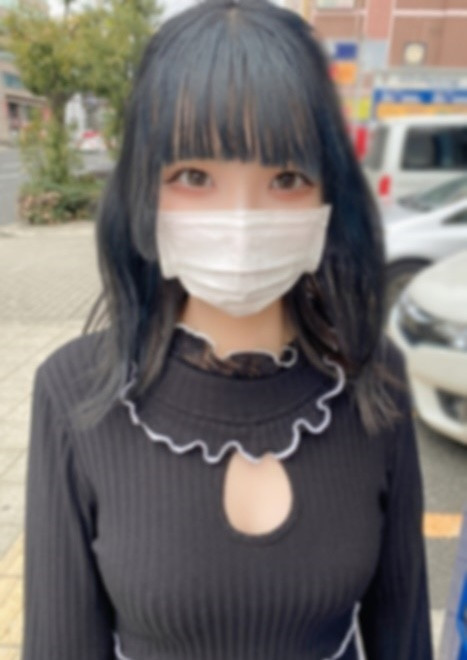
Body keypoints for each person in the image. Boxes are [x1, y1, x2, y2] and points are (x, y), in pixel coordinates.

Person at [21, 1, 433, 658]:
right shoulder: (74, 393)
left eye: (286, 177)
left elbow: (403, 636)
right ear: (143, 190)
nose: (241, 219)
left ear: (328, 196)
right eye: (195, 175)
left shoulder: (374, 382)